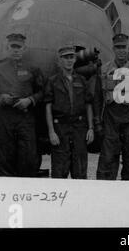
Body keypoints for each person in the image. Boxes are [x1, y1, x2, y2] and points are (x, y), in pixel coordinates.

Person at [0, 27, 44, 177]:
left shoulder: (33, 69)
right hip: (4, 120)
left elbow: (43, 92)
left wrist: (29, 100)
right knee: (4, 161)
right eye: (13, 47)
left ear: (24, 48)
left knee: (28, 160)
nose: (16, 50)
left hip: (26, 120)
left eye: (19, 47)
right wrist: (1, 98)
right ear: (7, 48)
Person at [95, 33, 129, 180]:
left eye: (124, 47)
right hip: (111, 121)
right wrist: (97, 123)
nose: (121, 51)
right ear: (113, 49)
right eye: (118, 47)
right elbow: (97, 98)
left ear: (128, 48)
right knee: (107, 162)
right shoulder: (104, 71)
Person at [44, 45, 94, 179]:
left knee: (80, 171)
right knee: (59, 172)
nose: (69, 60)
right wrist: (51, 132)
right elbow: (48, 107)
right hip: (60, 128)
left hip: (79, 128)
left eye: (71, 57)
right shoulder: (52, 81)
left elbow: (88, 105)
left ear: (75, 59)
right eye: (66, 58)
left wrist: (90, 128)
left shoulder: (82, 81)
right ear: (60, 60)